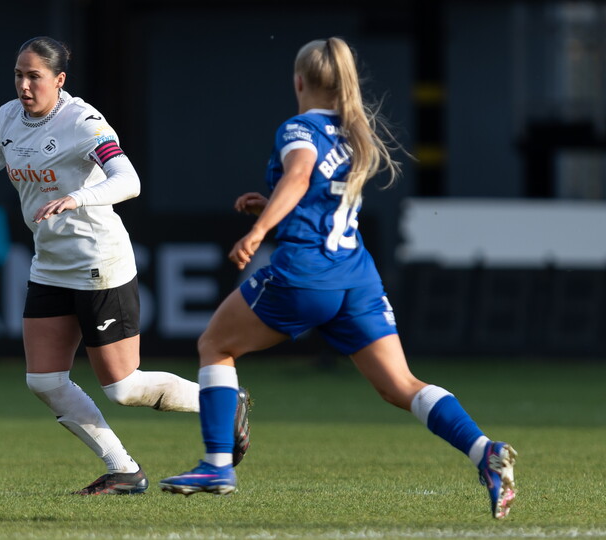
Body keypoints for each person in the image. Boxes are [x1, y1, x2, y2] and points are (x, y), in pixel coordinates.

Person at [158, 37, 517, 519]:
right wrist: (271, 208)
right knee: (399, 385)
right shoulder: (354, 132)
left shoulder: (299, 128)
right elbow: (318, 201)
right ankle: (484, 452)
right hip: (356, 277)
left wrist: (260, 229)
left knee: (215, 346)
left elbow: (301, 176)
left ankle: (218, 464)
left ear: (299, 80)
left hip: (306, 274)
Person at [0, 36, 249, 495]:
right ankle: (124, 470)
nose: (23, 84)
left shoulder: (84, 121)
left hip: (99, 262)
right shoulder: (7, 119)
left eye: (34, 76)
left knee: (122, 388)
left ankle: (220, 401)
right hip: (51, 266)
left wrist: (76, 198)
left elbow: (129, 180)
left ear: (59, 80)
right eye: (18, 74)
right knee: (44, 380)